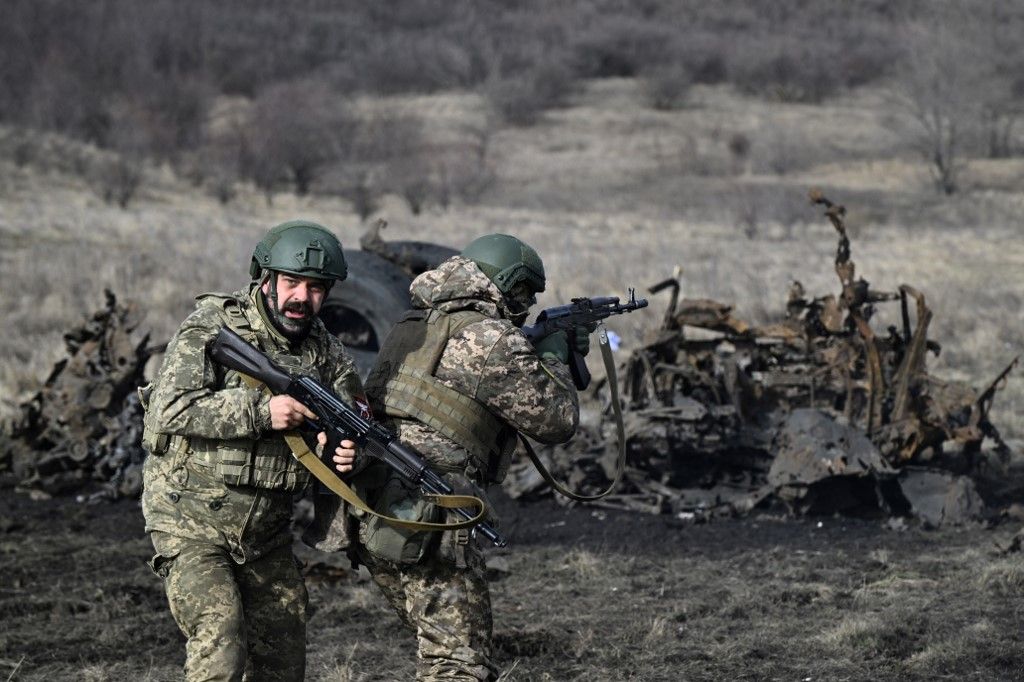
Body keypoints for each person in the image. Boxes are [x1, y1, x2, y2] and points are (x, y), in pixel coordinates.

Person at [324, 233, 591, 680]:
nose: (526, 304)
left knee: (442, 646)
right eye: (525, 292)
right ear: (508, 283)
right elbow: (556, 421)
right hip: (429, 513)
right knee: (457, 665)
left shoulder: (413, 321)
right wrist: (554, 357)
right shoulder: (489, 338)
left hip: (375, 507)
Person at [140, 220, 363, 682]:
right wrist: (261, 411)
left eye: (318, 288)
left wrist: (344, 453)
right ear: (266, 277)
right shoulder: (213, 327)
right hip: (191, 521)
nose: (302, 298)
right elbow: (170, 410)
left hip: (267, 536)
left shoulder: (331, 356)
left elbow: (349, 424)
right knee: (221, 647)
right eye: (291, 282)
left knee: (283, 660)